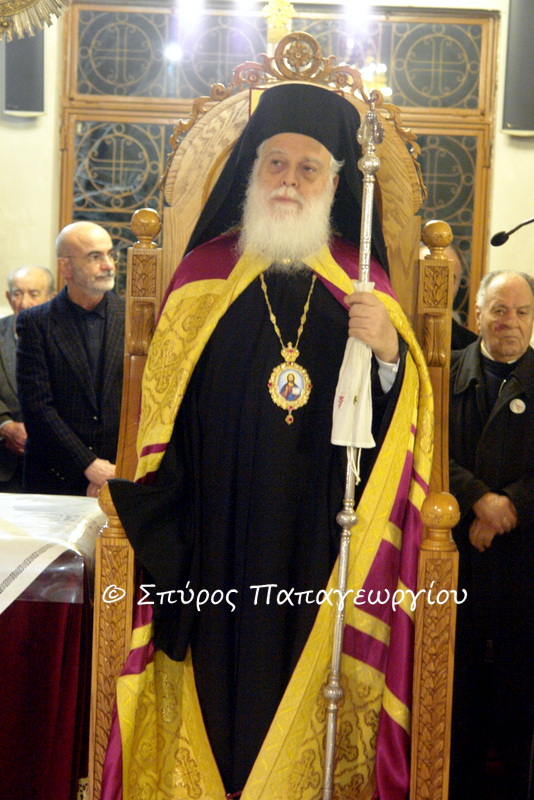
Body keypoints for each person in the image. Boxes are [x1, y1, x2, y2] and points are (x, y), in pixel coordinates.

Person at [104, 84, 433, 800]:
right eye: (275, 163)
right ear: (251, 172)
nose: (289, 180)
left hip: (321, 530)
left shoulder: (364, 281)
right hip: (215, 527)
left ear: (335, 183)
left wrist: (387, 354)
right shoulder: (203, 276)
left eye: (308, 168)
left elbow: (402, 428)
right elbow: (163, 413)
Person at [449, 270, 534, 800]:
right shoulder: (444, 373)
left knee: (516, 702)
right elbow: (426, 448)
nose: (511, 322)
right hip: (454, 558)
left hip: (523, 564)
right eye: (499, 310)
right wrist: (479, 498)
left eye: (522, 312)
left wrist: (510, 507)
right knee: (457, 699)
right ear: (478, 313)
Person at [16, 222, 124, 497]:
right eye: (95, 257)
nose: (108, 265)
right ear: (66, 267)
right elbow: (37, 407)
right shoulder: (35, 323)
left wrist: (114, 470)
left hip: (119, 474)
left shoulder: (134, 317)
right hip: (54, 477)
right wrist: (89, 465)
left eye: (110, 254)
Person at [0, 266, 55, 491]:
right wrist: (5, 425)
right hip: (5, 464)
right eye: (17, 293)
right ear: (8, 297)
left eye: (33, 294)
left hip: (53, 464)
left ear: (51, 297)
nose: (24, 303)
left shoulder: (61, 337)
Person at [419, 241, 478, 349]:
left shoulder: (469, 346)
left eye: (448, 278)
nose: (437, 285)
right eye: (429, 275)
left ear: (457, 287)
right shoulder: (389, 330)